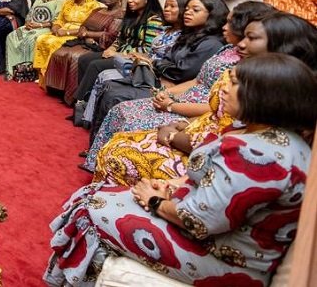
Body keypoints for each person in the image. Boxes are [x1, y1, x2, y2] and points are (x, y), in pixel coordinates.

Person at [44, 53, 316, 287]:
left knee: (89, 207)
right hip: (212, 232)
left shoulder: (258, 154)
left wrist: (154, 200)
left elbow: (198, 222)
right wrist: (175, 187)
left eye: (233, 83)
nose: (222, 89)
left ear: (263, 96)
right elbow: (217, 191)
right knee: (91, 195)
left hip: (223, 257)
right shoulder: (265, 133)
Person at [94, 10, 317, 186]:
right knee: (120, 127)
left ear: (281, 44)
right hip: (197, 128)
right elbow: (208, 98)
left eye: (251, 38)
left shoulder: (272, 89)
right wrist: (180, 118)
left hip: (211, 156)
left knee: (121, 148)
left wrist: (172, 133)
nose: (240, 43)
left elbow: (230, 141)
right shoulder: (238, 61)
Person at [79, 2, 268, 172]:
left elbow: (216, 107)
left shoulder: (249, 68)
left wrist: (171, 106)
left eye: (231, 23)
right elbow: (197, 80)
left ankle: (114, 168)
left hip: (195, 111)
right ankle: (95, 161)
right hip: (182, 96)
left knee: (131, 121)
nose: (224, 27)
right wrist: (166, 93)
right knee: (120, 109)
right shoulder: (226, 49)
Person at [81, 0, 228, 139]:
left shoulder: (211, 43)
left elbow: (181, 72)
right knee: (108, 84)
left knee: (114, 93)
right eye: (187, 9)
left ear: (212, 16)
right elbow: (168, 60)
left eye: (195, 10)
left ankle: (104, 146)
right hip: (161, 79)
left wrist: (155, 63)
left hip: (177, 88)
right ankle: (96, 141)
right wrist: (158, 64)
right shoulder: (190, 35)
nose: (188, 12)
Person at [76, 0, 192, 126]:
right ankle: (85, 113)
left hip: (150, 69)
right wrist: (113, 49)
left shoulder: (173, 31)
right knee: (89, 62)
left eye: (172, 6)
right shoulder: (164, 29)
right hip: (141, 63)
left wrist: (123, 55)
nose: (166, 9)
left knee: (101, 71)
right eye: (166, 6)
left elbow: (149, 50)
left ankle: (89, 116)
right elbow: (121, 38)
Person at [69, 0, 165, 108]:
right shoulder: (132, 16)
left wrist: (118, 53)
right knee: (84, 59)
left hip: (136, 59)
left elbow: (148, 48)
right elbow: (120, 38)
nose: (130, 1)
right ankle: (83, 100)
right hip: (120, 53)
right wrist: (111, 49)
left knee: (95, 65)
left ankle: (83, 103)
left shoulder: (154, 20)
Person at [44, 0, 127, 103]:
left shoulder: (120, 14)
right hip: (84, 40)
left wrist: (88, 34)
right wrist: (84, 32)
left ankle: (72, 96)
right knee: (60, 52)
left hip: (100, 45)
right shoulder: (98, 9)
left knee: (75, 57)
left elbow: (110, 35)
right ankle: (57, 90)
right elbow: (83, 25)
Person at [32, 0, 104, 83]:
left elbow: (89, 27)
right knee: (41, 39)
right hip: (62, 30)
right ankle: (41, 73)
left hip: (78, 33)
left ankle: (50, 74)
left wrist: (67, 32)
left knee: (54, 42)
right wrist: (56, 27)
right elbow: (60, 19)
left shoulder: (93, 5)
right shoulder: (67, 2)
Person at [3, 0, 64, 80]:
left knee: (30, 40)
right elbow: (30, 14)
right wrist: (27, 23)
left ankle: (28, 71)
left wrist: (40, 25)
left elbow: (57, 20)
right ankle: (12, 70)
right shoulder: (38, 0)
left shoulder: (59, 2)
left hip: (45, 28)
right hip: (31, 26)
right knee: (11, 36)